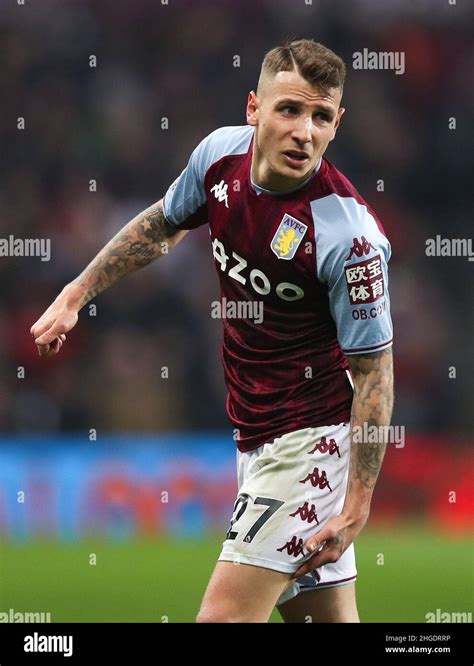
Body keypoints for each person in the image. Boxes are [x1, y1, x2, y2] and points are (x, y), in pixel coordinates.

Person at [30, 39, 394, 623]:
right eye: (290, 110)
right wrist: (77, 294)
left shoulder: (348, 238)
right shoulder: (219, 157)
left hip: (309, 441)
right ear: (254, 108)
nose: (304, 131)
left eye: (321, 117)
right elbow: (161, 224)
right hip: (254, 433)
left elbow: (375, 370)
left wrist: (358, 503)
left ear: (337, 125)